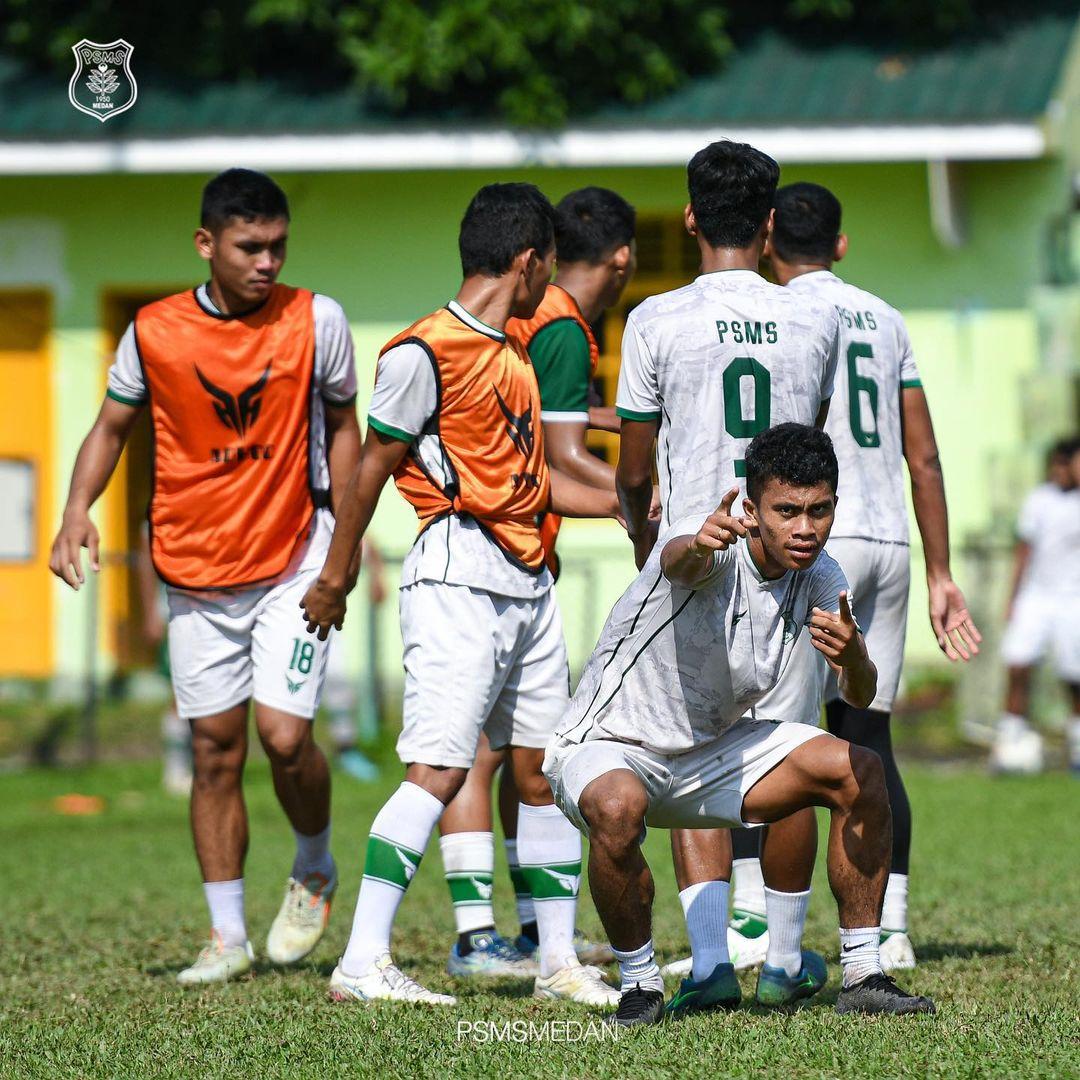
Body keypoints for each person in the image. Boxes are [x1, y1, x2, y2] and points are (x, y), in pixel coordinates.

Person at [300, 182, 623, 1007]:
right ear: (529, 261)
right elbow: (370, 468)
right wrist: (336, 575)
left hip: (526, 580)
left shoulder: (513, 355)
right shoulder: (423, 350)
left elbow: (538, 482)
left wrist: (633, 503)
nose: (553, 277)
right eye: (550, 262)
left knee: (545, 771)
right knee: (440, 769)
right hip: (455, 573)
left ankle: (556, 961)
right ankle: (362, 961)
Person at [49, 169, 360, 985]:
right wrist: (77, 509)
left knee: (284, 738)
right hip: (191, 569)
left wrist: (346, 548)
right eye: (250, 247)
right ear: (206, 244)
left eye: (279, 246)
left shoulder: (316, 320)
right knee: (213, 751)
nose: (268, 262)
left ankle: (315, 866)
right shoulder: (153, 331)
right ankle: (226, 937)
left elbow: (345, 431)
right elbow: (111, 428)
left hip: (294, 558)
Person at [546, 424, 936, 1025]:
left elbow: (859, 696)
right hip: (613, 746)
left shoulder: (822, 574)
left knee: (861, 769)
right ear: (752, 508)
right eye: (786, 511)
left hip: (712, 752)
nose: (804, 528)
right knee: (618, 810)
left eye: (819, 510)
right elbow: (680, 562)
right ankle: (641, 986)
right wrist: (700, 545)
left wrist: (855, 657)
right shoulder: (709, 537)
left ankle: (862, 971)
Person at [615, 141, 842, 1002]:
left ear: (689, 218)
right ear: (773, 223)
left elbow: (635, 466)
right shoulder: (813, 319)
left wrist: (651, 540)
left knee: (691, 751)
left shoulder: (656, 320)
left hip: (698, 561)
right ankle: (783, 962)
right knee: (787, 753)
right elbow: (805, 450)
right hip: (782, 564)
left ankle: (710, 964)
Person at [767, 181, 982, 970]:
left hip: (817, 530)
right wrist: (941, 570)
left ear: (766, 239)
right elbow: (921, 455)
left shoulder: (780, 313)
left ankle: (768, 932)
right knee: (870, 738)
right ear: (843, 244)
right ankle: (891, 927)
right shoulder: (885, 318)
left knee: (779, 736)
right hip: (890, 538)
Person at [433, 185, 639, 979]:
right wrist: (638, 506)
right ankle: (479, 936)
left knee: (520, 756)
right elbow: (554, 463)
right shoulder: (560, 325)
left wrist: (613, 419)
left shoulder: (530, 319)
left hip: (502, 555)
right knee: (483, 753)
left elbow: (557, 426)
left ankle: (524, 933)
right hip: (497, 558)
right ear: (620, 259)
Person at [993, 436, 1080, 774]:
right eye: (1056, 463)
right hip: (1037, 597)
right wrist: (1012, 599)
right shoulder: (1039, 501)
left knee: (1074, 675)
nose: (1061, 470)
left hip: (1073, 599)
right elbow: (1024, 553)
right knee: (1018, 663)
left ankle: (1076, 746)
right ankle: (1010, 740)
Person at [135, 525, 191, 796]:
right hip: (175, 613)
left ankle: (200, 767)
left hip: (213, 610)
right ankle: (176, 768)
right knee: (180, 693)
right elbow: (146, 562)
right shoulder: (160, 508)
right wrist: (150, 614)